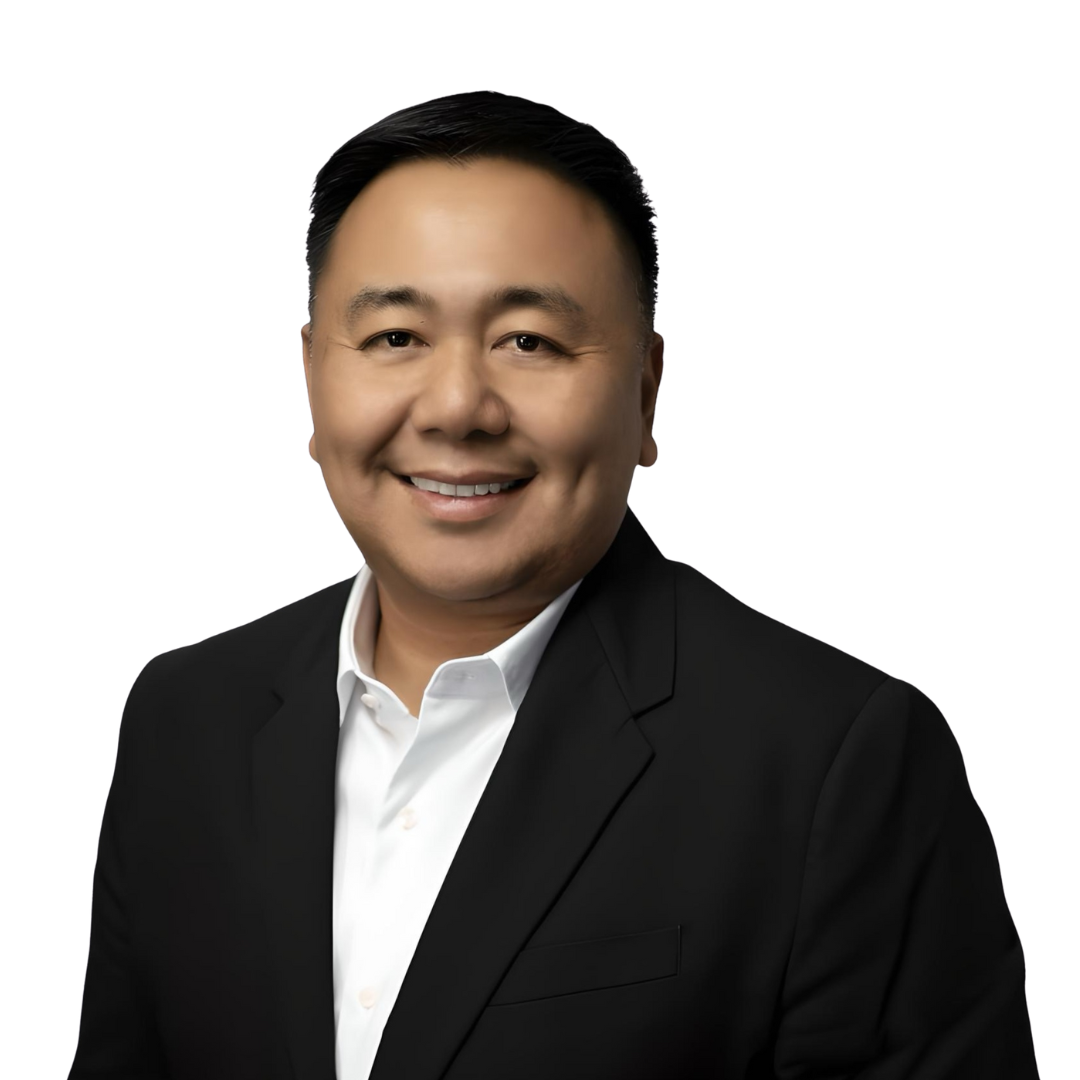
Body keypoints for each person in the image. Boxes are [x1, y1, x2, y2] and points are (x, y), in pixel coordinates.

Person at [68, 90, 1040, 1080]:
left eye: (529, 340)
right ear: (313, 375)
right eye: (396, 337)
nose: (457, 407)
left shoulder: (837, 761)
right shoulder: (187, 720)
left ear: (646, 393)